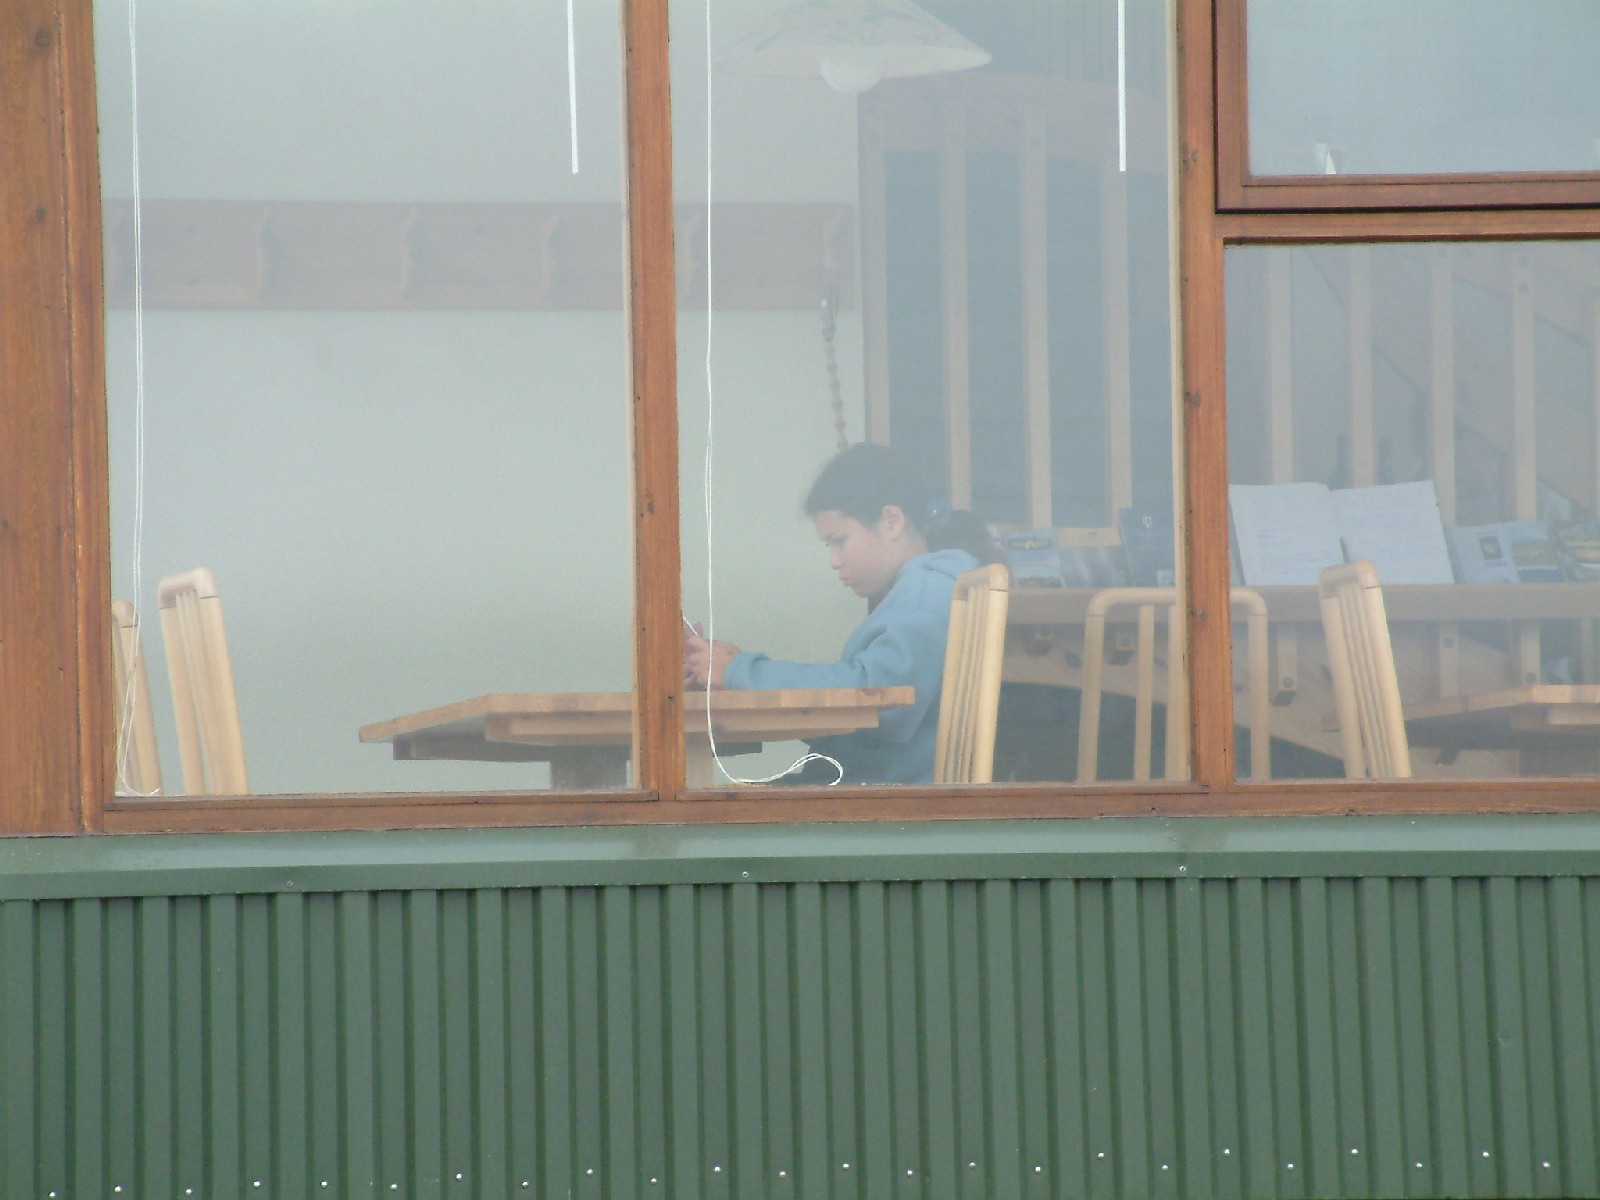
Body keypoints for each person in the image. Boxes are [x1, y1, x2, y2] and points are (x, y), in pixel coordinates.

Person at [683, 443, 996, 784]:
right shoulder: (919, 591)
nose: (834, 560)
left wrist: (741, 672)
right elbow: (862, 717)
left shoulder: (925, 595)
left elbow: (875, 697)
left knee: (708, 813)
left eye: (839, 540)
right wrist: (733, 676)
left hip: (878, 800)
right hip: (867, 788)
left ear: (891, 521)